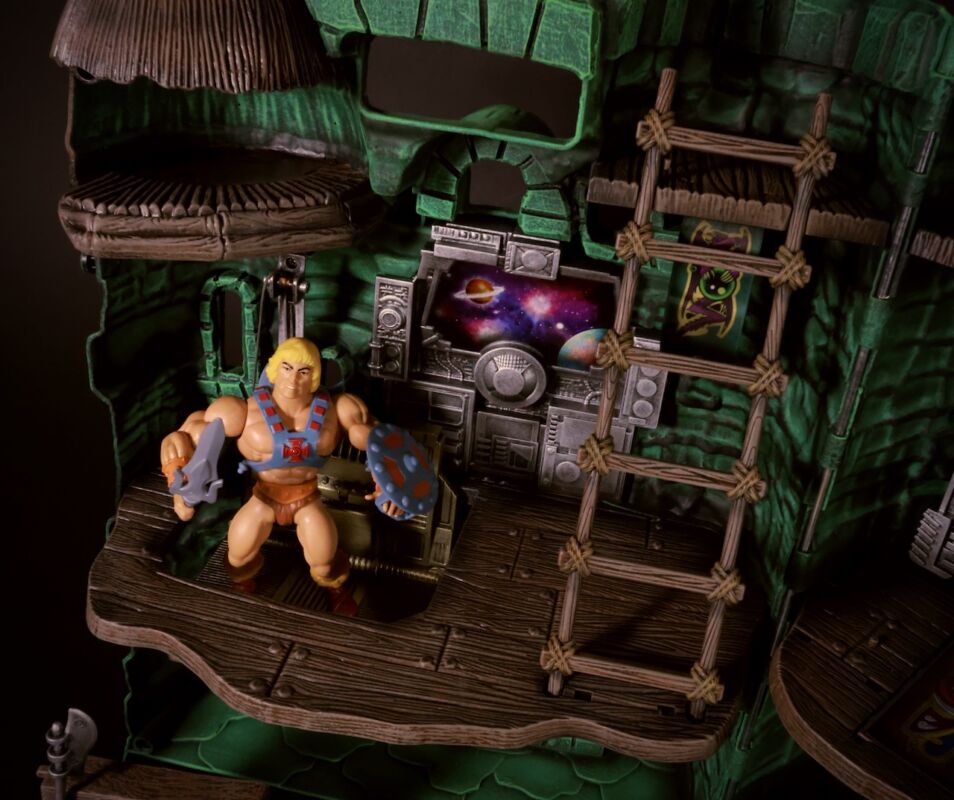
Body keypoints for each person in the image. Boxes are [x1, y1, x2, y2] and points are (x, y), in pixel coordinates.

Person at [160, 338, 398, 608]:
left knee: (324, 561)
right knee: (238, 555)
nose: (293, 379)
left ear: (315, 375)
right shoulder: (242, 410)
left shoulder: (338, 408)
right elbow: (186, 435)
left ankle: (336, 589)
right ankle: (242, 585)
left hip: (307, 497)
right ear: (274, 368)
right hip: (263, 496)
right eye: (287, 368)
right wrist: (179, 480)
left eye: (303, 371)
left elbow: (377, 439)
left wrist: (389, 479)